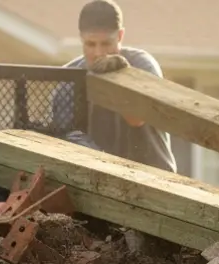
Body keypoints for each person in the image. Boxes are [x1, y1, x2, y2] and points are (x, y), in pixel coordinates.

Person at [51, 0, 177, 174]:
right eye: (91, 44)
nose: (99, 53)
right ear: (81, 39)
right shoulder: (69, 79)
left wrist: (118, 74)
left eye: (106, 44)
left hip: (155, 178)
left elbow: (138, 118)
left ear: (120, 36)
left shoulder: (142, 65)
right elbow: (66, 139)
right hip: (97, 180)